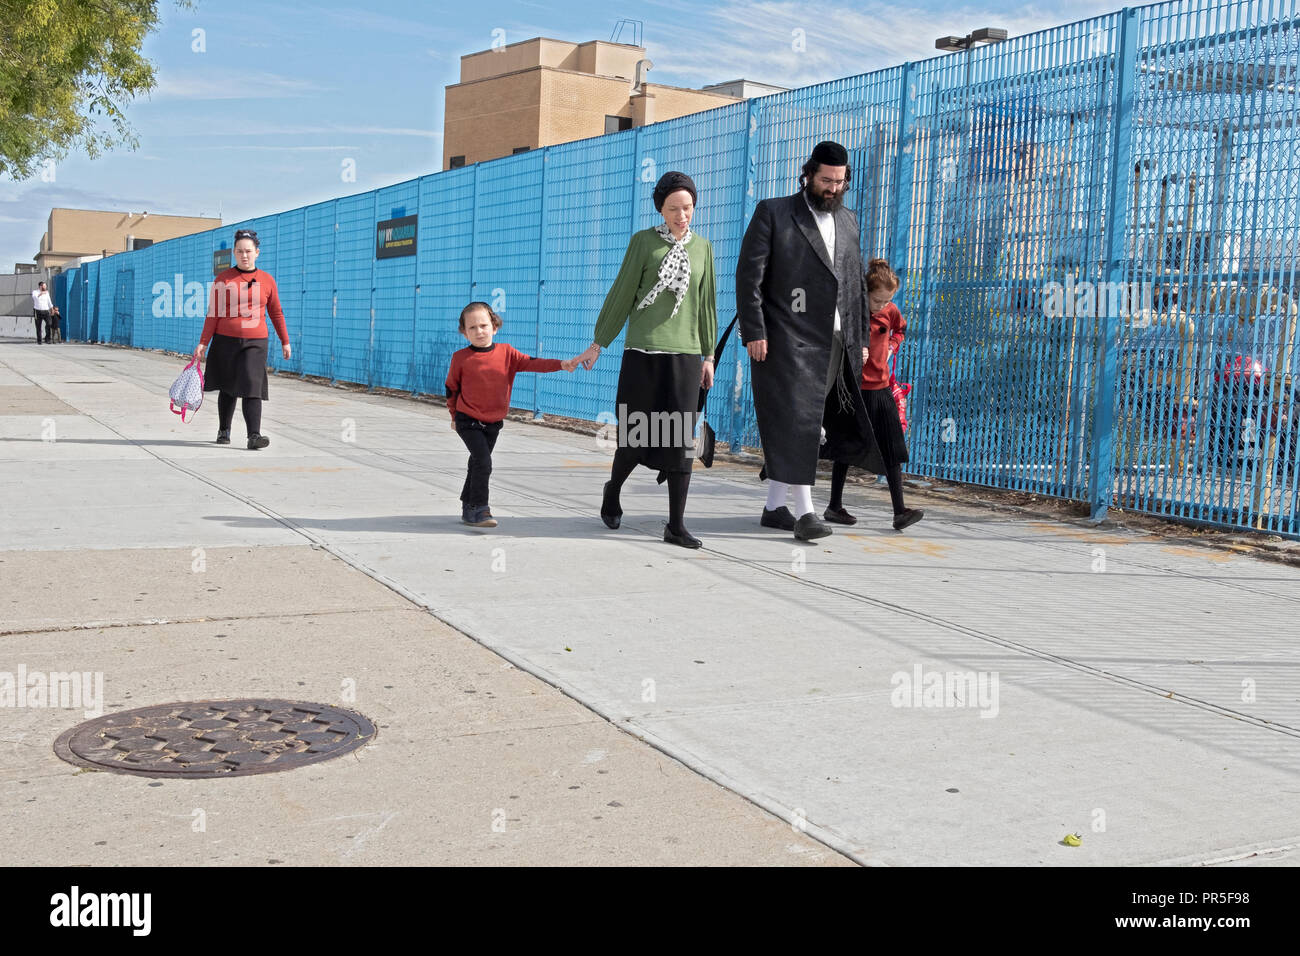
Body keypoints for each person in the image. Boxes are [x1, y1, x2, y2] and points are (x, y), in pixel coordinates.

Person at [735, 140, 884, 541]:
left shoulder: (850, 221)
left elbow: (854, 285)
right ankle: (806, 512)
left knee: (811, 422)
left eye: (839, 182)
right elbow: (750, 278)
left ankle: (773, 507)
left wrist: (860, 338)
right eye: (825, 180)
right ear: (808, 175)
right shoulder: (774, 212)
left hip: (835, 339)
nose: (832, 188)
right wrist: (755, 331)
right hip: (786, 338)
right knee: (799, 421)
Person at [576, 171, 718, 549]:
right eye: (673, 208)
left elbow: (706, 305)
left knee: (679, 441)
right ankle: (613, 490)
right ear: (661, 208)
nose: (681, 215)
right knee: (636, 438)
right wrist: (598, 343)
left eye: (687, 207)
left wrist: (708, 355)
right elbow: (622, 294)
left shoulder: (703, 248)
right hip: (643, 354)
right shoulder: (643, 243)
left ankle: (676, 525)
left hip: (686, 357)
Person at [446, 302, 581, 527]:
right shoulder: (460, 358)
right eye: (472, 328)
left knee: (477, 463)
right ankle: (480, 509)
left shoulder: (507, 353)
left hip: (493, 422)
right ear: (464, 332)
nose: (479, 331)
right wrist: (453, 416)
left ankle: (468, 506)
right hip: (467, 419)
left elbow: (532, 363)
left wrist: (562, 364)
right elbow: (452, 388)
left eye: (483, 325)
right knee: (483, 462)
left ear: (494, 326)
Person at [824, 259, 923, 530]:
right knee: (845, 447)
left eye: (886, 301)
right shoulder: (853, 312)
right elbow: (835, 336)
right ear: (865, 292)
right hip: (855, 389)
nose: (881, 306)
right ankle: (834, 505)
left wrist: (892, 345)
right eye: (877, 300)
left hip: (880, 389)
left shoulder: (890, 311)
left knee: (892, 446)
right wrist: (854, 348)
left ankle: (900, 511)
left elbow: (900, 330)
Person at [191, 229, 291, 450]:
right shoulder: (223, 279)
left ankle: (253, 435)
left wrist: (285, 340)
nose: (244, 255)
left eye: (248, 251)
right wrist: (203, 342)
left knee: (251, 386)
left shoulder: (267, 280)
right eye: (239, 251)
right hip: (225, 340)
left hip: (256, 342)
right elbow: (213, 313)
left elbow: (276, 313)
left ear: (257, 252)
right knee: (228, 387)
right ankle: (224, 430)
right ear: (234, 254)